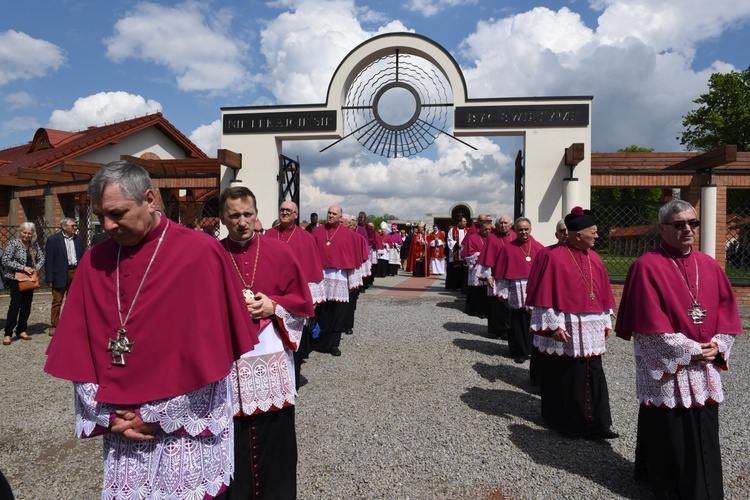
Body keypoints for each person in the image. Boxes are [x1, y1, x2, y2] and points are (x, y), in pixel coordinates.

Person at [44, 160, 259, 499]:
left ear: (149, 199)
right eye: (100, 215)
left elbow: (215, 361)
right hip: (123, 429)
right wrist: (112, 417)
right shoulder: (95, 259)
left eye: (117, 213)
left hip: (184, 434)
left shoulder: (200, 254)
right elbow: (78, 351)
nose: (108, 225)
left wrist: (157, 416)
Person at [615, 199, 742, 498]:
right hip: (672, 367)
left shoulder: (709, 264)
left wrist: (718, 345)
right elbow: (648, 329)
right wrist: (691, 350)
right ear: (662, 228)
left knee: (703, 428)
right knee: (670, 430)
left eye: (692, 223)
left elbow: (727, 314)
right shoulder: (646, 266)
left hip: (704, 362)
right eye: (679, 224)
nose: (688, 229)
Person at [219, 188, 314, 499]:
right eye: (234, 215)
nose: (242, 222)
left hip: (269, 356)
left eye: (248, 214)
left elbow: (303, 302)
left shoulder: (280, 252)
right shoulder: (214, 255)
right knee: (233, 437)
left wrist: (274, 306)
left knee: (276, 435)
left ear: (256, 214)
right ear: (223, 218)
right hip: (230, 359)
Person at [525, 207, 619, 439]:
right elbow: (544, 295)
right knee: (566, 372)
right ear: (578, 235)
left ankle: (598, 423)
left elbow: (602, 293)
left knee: (594, 371)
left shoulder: (594, 257)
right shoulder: (552, 256)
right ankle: (566, 421)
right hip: (566, 325)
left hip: (590, 326)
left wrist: (604, 321)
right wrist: (553, 325)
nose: (598, 236)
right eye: (594, 232)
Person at [265, 199, 325, 388]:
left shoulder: (306, 238)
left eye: (289, 211)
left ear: (296, 215)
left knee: (293, 338)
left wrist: (312, 298)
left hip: (295, 296)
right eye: (282, 210)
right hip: (271, 295)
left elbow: (312, 270)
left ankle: (292, 380)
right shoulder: (268, 235)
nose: (284, 213)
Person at [483, 217, 543, 364]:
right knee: (517, 319)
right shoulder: (508, 248)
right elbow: (502, 273)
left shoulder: (539, 248)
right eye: (520, 229)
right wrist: (502, 292)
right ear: (515, 231)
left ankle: (530, 348)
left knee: (532, 319)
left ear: (530, 229)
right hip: (515, 288)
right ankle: (519, 351)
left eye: (526, 229)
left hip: (533, 288)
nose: (523, 232)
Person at [311, 205, 364, 356]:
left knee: (338, 313)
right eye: (329, 212)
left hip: (339, 277)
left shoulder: (348, 235)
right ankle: (320, 341)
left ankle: (334, 344)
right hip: (321, 277)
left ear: (340, 217)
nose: (330, 215)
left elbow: (353, 258)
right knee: (322, 311)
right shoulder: (317, 232)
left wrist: (353, 281)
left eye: (334, 214)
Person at [3, 222, 44, 345]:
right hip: (15, 278)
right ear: (20, 232)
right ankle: (8, 333)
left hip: (29, 279)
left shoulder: (34, 245)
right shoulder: (13, 244)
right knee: (15, 305)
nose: (26, 235)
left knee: (26, 305)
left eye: (29, 233)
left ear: (33, 234)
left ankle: (21, 329)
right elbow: (6, 260)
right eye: (24, 232)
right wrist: (23, 267)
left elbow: (42, 258)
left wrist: (36, 268)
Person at [45, 217, 84, 337]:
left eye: (75, 225)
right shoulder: (53, 240)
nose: (75, 227)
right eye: (72, 225)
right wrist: (49, 278)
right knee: (57, 300)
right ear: (64, 226)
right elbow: (49, 260)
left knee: (74, 300)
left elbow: (82, 257)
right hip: (60, 273)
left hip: (75, 271)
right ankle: (54, 325)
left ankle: (71, 323)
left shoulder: (78, 239)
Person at [478, 215, 516, 338]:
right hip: (496, 275)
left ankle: (508, 329)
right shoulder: (492, 238)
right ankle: (496, 329)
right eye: (501, 223)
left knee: (509, 303)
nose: (503, 225)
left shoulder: (515, 236)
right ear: (497, 224)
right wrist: (488, 276)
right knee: (496, 303)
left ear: (511, 225)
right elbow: (487, 258)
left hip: (511, 275)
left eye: (506, 223)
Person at [461, 215, 492, 318]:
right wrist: (480, 254)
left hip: (489, 267)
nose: (488, 231)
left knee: (487, 290)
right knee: (477, 290)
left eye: (489, 229)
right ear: (480, 228)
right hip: (477, 266)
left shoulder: (492, 238)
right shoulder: (473, 238)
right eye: (485, 229)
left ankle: (487, 311)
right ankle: (476, 310)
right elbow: (468, 254)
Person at [445, 217, 468, 291]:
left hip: (465, 254)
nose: (465, 223)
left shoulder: (468, 230)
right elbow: (449, 239)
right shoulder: (452, 230)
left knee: (463, 271)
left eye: (465, 221)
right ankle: (454, 286)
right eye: (464, 221)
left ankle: (463, 286)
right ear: (459, 222)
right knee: (455, 271)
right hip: (456, 253)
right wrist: (457, 244)